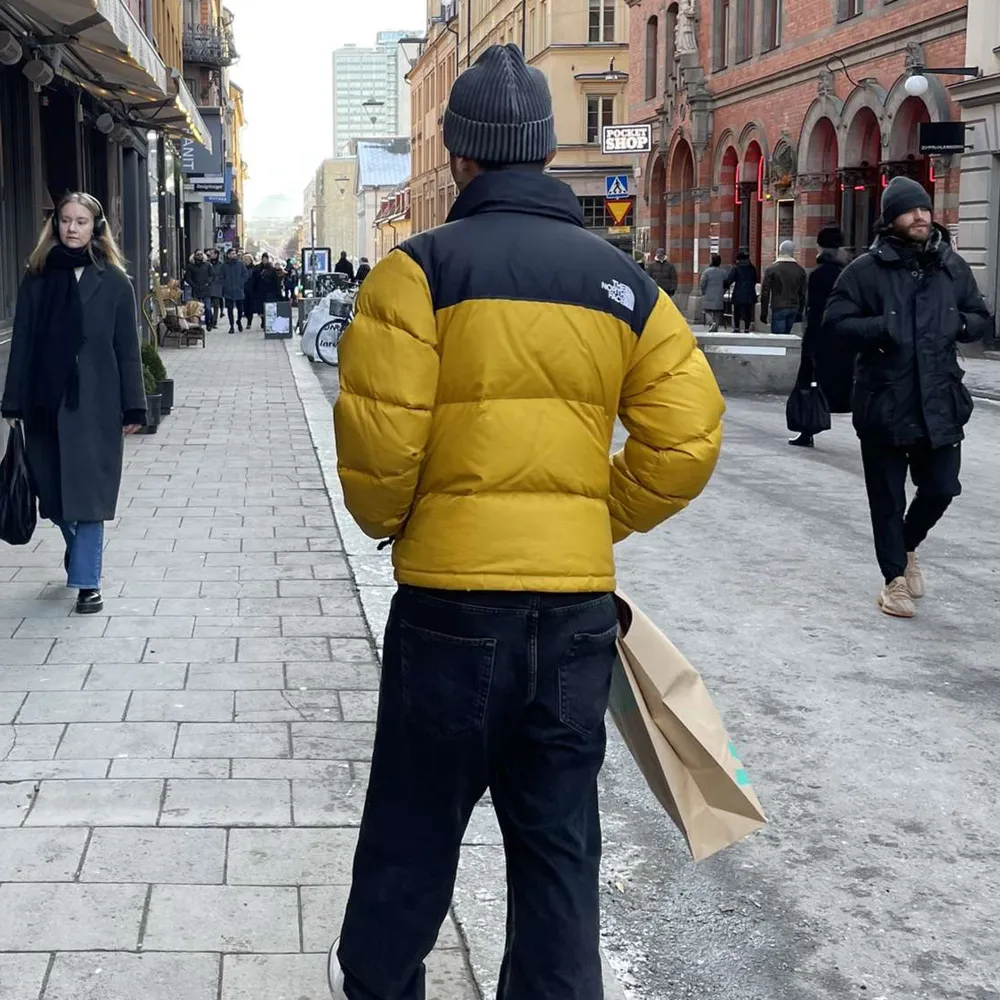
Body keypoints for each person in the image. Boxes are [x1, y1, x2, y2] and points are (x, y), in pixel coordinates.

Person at [330, 42, 724, 1000]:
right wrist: (591, 515)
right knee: (556, 858)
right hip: (574, 616)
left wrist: (413, 525)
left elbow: (379, 468)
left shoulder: (413, 275)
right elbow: (687, 441)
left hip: (449, 616)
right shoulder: (624, 285)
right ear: (547, 151)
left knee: (409, 845)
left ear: (462, 157)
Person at [824, 175, 992, 619]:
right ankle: (893, 581)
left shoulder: (951, 266)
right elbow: (834, 324)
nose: (920, 215)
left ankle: (908, 544)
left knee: (941, 487)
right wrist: (880, 328)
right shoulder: (864, 271)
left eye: (924, 208)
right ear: (891, 218)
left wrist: (959, 325)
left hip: (939, 397)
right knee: (887, 497)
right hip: (885, 399)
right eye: (909, 209)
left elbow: (980, 317)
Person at [1, 192, 145, 615]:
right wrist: (12, 403)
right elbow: (23, 342)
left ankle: (87, 583)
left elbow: (127, 348)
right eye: (65, 220)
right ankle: (79, 552)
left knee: (90, 494)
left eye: (81, 221)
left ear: (95, 227)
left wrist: (134, 406)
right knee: (53, 496)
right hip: (45, 403)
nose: (72, 228)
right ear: (55, 225)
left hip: (96, 404)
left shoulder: (115, 281)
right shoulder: (38, 277)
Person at [788, 226, 854, 448]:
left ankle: (807, 430)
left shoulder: (818, 275)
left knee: (807, 385)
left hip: (819, 337)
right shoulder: (847, 273)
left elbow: (815, 312)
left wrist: (810, 342)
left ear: (820, 247)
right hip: (842, 337)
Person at [760, 240, 806, 335]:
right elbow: (803, 292)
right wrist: (800, 311)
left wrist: (764, 312)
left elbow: (765, 292)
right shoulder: (800, 270)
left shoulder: (771, 269)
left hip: (778, 305)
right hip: (794, 306)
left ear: (780, 251)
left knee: (778, 338)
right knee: (787, 335)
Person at [725, 248, 759, 333]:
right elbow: (755, 279)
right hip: (750, 293)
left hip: (738, 293)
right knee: (748, 311)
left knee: (737, 310)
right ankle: (747, 328)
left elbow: (730, 279)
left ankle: (737, 327)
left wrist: (725, 284)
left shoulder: (736, 268)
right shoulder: (752, 268)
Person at [221, 248, 249, 334]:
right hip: (228, 291)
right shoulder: (224, 265)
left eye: (234, 254)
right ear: (228, 255)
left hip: (238, 290)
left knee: (240, 309)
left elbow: (245, 274)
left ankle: (239, 321)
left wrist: (241, 283)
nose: (233, 255)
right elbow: (221, 276)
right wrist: (225, 284)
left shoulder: (240, 264)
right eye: (232, 254)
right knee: (230, 309)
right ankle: (231, 326)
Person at [184, 250, 215, 329]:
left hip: (206, 289)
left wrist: (208, 282)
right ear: (194, 256)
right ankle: (197, 324)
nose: (200, 256)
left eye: (201, 254)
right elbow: (187, 277)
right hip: (196, 290)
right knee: (196, 309)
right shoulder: (190, 266)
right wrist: (193, 285)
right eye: (198, 255)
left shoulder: (207, 265)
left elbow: (212, 275)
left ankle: (209, 323)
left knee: (208, 308)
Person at [700, 252, 726, 332]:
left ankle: (711, 323)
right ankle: (716, 325)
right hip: (719, 294)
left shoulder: (707, 271)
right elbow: (726, 283)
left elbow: (702, 283)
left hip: (708, 293)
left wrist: (703, 291)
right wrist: (723, 291)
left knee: (707, 310)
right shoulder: (723, 272)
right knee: (717, 312)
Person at [207, 248, 224, 330]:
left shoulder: (221, 264)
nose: (210, 255)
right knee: (208, 305)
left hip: (217, 286)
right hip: (208, 286)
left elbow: (223, 275)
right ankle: (209, 320)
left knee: (216, 305)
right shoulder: (207, 263)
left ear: (216, 254)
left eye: (212, 253)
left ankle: (214, 321)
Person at [241, 253, 258, 329]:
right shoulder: (241, 268)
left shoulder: (254, 269)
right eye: (244, 260)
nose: (245, 261)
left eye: (247, 260)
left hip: (252, 290)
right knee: (245, 307)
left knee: (251, 307)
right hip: (243, 290)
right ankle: (248, 318)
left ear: (251, 260)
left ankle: (249, 323)